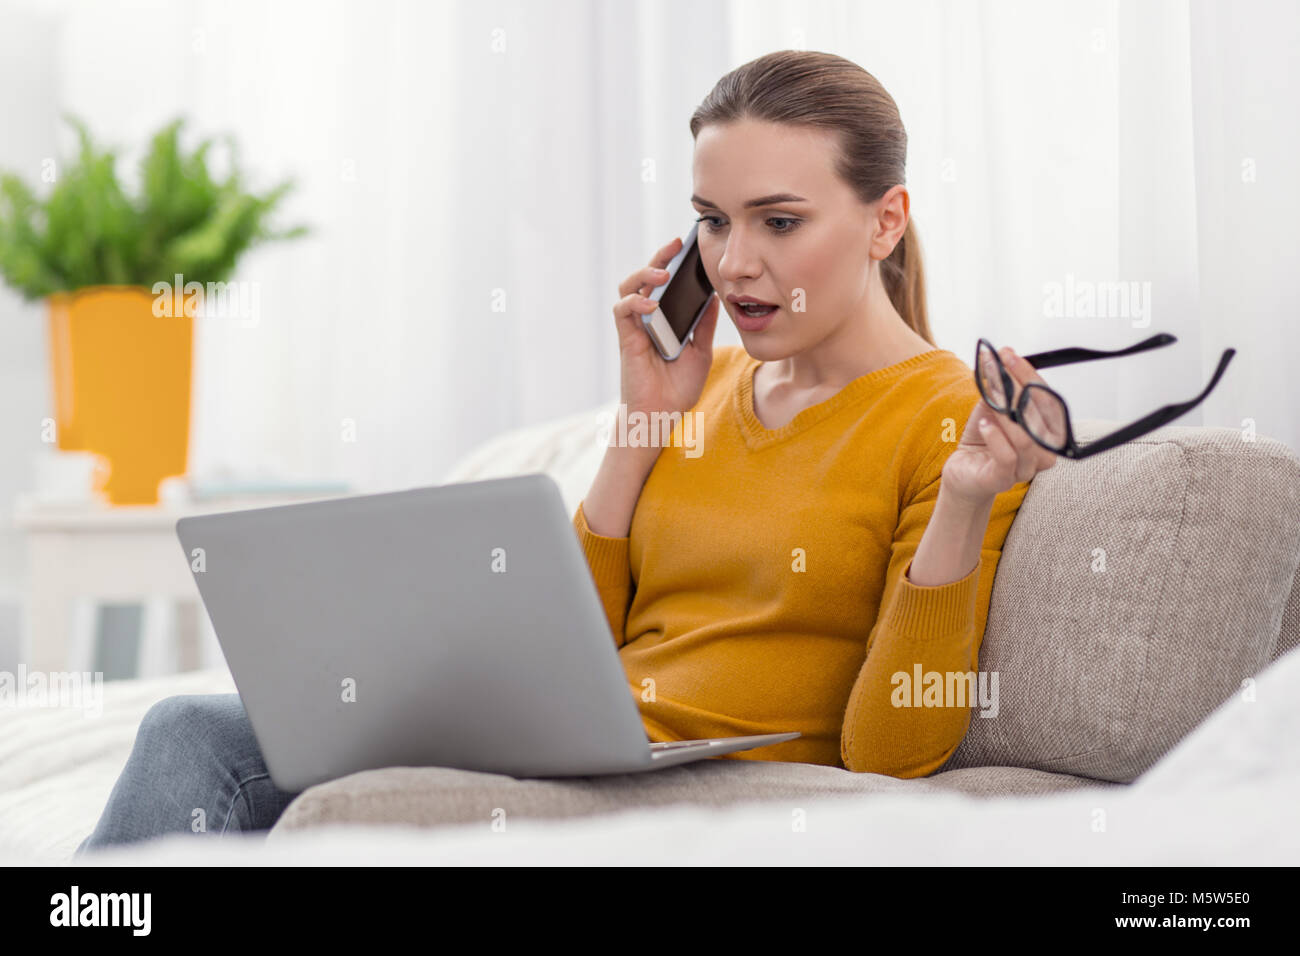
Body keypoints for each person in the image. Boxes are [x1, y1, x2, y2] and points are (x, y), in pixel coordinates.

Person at [77, 49, 1056, 854]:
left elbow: (889, 754)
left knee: (200, 742)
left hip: (690, 781)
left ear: (885, 219)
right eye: (712, 221)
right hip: (575, 742)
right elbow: (569, 649)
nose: (735, 262)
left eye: (779, 221)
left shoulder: (947, 418)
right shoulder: (703, 384)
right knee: (197, 725)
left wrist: (968, 500)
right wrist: (641, 421)